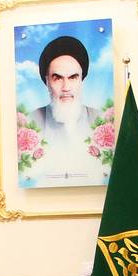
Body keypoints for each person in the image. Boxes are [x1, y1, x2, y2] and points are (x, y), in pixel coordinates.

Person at [25, 34, 108, 184]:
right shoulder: (28, 123)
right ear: (47, 81)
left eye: (73, 77)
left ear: (82, 80)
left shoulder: (102, 121)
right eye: (57, 78)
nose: (66, 88)